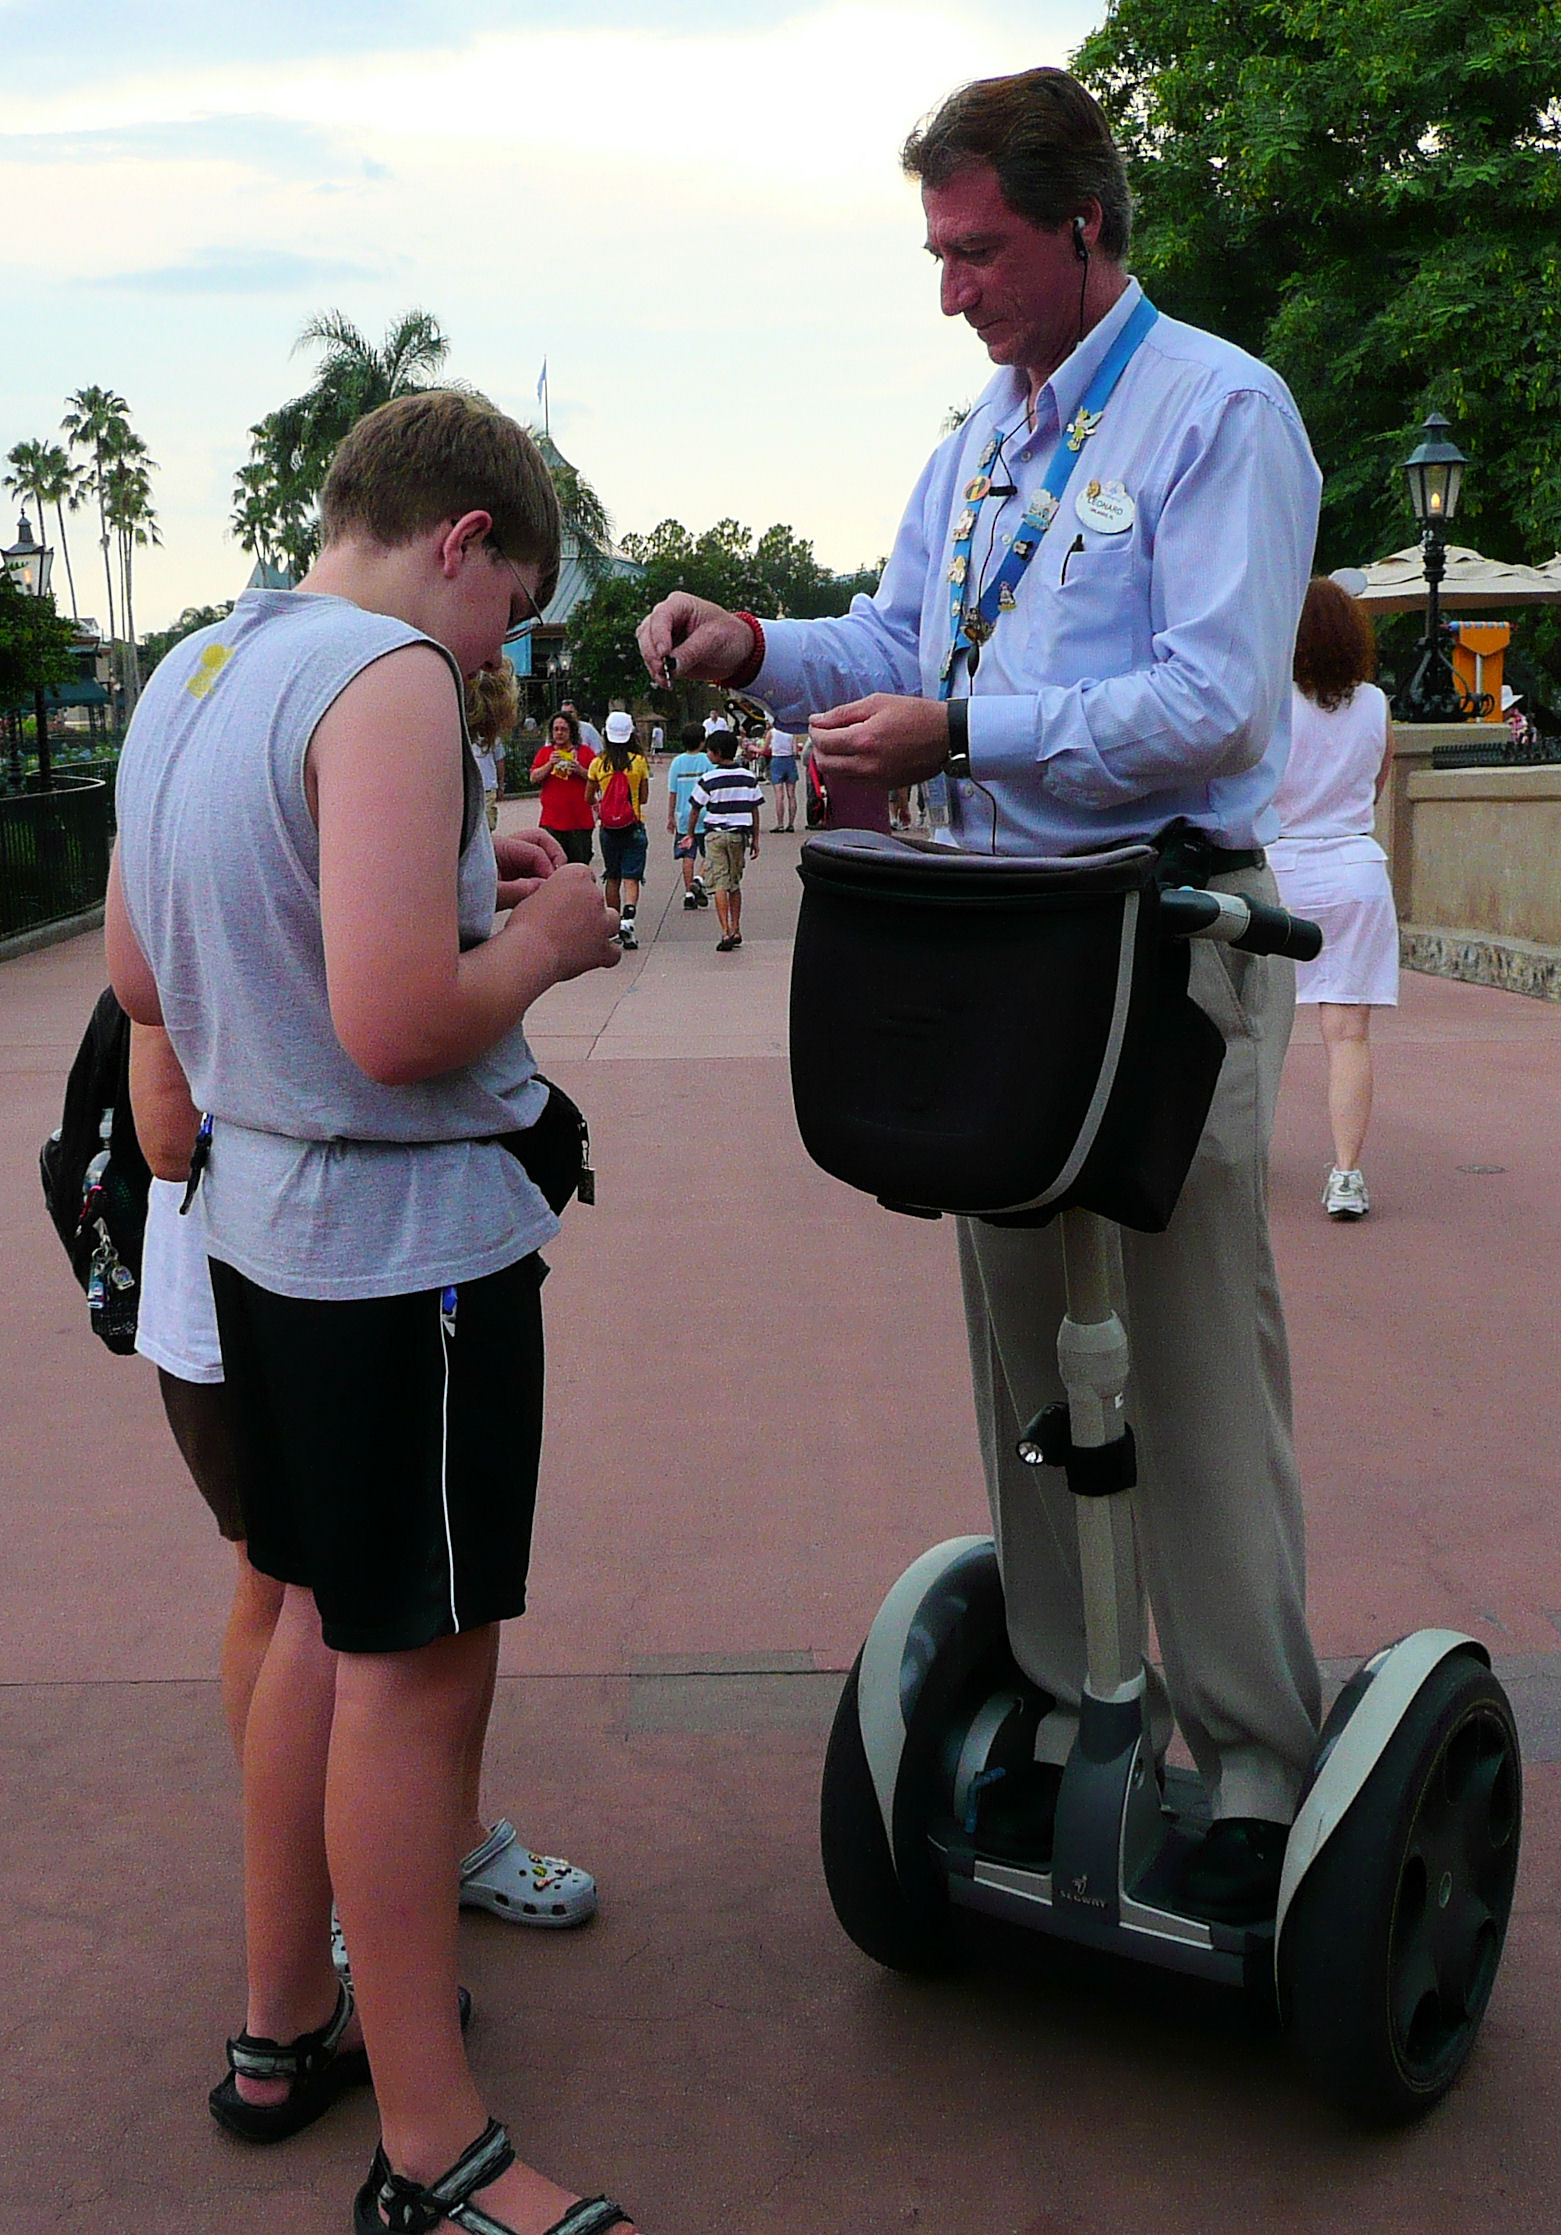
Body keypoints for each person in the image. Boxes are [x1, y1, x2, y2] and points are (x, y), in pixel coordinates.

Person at [638, 66, 1323, 1920]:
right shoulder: (980, 444)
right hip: (1008, 944)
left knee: (1183, 1356)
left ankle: (1254, 1762)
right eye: (936, 254)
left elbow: (1218, 706)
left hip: (1165, 937)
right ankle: (1063, 1698)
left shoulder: (1215, 414)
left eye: (979, 252)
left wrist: (971, 726)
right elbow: (896, 641)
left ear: (1087, 222)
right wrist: (758, 648)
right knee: (1023, 1346)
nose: (951, 290)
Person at [108, 388, 636, 2235]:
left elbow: (139, 963)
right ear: (464, 542)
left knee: (316, 1619)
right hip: (402, 1251)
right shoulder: (392, 677)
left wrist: (418, 878)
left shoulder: (194, 667)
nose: (497, 653)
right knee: (414, 1678)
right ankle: (434, 2154)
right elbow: (402, 1025)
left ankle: (285, 2024)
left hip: (261, 1232)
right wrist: (549, 944)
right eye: (513, 608)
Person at [1268, 577, 1398, 1220]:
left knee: (1258, 1029)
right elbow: (1376, 786)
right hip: (1354, 869)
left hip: (1280, 869)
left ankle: (1241, 1159)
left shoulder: (1272, 704)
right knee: (1347, 1035)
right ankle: (1346, 1175)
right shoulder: (1375, 704)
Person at [686, 726, 762, 953]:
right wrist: (756, 839)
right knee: (734, 883)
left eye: (709, 751)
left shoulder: (709, 778)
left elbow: (695, 808)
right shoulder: (748, 777)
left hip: (716, 835)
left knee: (719, 882)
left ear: (717, 753)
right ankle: (737, 927)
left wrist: (690, 833)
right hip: (739, 835)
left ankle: (725, 929)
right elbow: (755, 809)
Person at [587, 710, 651, 950]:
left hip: (608, 828)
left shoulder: (598, 763)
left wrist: (601, 803)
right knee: (631, 876)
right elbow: (643, 798)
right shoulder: (638, 762)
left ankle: (613, 925)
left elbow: (588, 796)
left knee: (612, 876)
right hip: (633, 825)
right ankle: (629, 917)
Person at [531, 708, 596, 866]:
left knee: (579, 868)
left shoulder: (585, 752)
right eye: (556, 729)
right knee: (552, 868)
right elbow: (533, 778)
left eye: (563, 729)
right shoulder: (545, 752)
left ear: (571, 731)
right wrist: (549, 764)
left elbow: (599, 780)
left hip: (579, 822)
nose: (559, 733)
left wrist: (580, 770)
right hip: (551, 822)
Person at [666, 720, 713, 909]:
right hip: (706, 813)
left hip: (685, 816)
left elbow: (672, 791)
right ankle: (699, 879)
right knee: (709, 854)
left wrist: (670, 816)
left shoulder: (677, 762)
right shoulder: (707, 761)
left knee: (688, 854)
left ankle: (688, 893)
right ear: (703, 742)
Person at [467, 660, 516, 832]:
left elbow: (499, 760)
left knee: (486, 826)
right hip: (468, 787)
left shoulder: (491, 736)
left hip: (487, 785)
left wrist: (500, 784)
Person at [768, 724, 801, 832]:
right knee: (791, 794)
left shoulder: (772, 732)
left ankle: (780, 824)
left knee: (779, 795)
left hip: (777, 760)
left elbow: (763, 749)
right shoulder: (791, 733)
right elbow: (795, 751)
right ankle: (791, 824)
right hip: (789, 761)